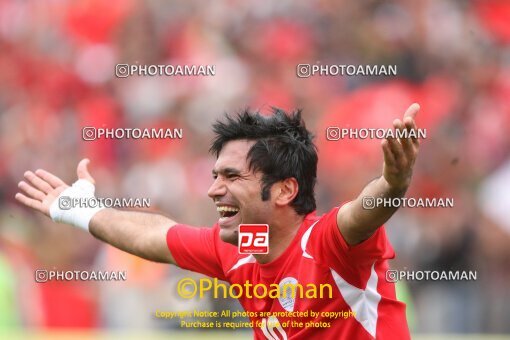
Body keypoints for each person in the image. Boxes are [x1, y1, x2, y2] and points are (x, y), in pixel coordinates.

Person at [15, 103, 421, 339]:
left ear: (285, 190)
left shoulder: (329, 242)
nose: (213, 190)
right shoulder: (243, 249)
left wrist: (394, 182)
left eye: (231, 177)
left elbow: (365, 210)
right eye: (214, 177)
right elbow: (158, 236)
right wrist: (82, 212)